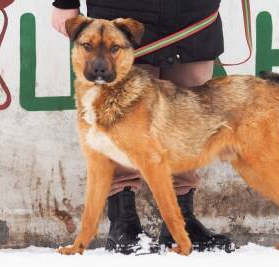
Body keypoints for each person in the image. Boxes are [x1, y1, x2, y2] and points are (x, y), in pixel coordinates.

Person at [51, 0, 233, 253]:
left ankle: (180, 221)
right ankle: (123, 223)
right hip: (123, 10)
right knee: (119, 118)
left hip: (192, 14)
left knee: (187, 119)